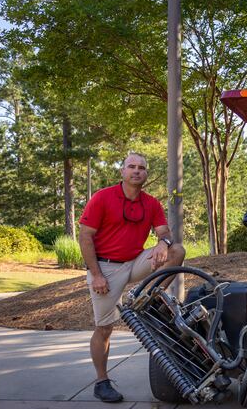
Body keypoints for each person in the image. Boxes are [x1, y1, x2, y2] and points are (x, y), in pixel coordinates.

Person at [79, 152, 185, 403]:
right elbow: (85, 237)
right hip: (106, 268)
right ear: (122, 172)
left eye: (141, 168)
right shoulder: (103, 198)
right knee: (104, 328)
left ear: (146, 174)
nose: (137, 171)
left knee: (177, 250)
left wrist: (162, 243)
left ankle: (148, 299)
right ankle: (102, 382)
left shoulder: (150, 203)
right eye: (132, 167)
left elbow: (165, 232)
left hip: (135, 261)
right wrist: (96, 274)